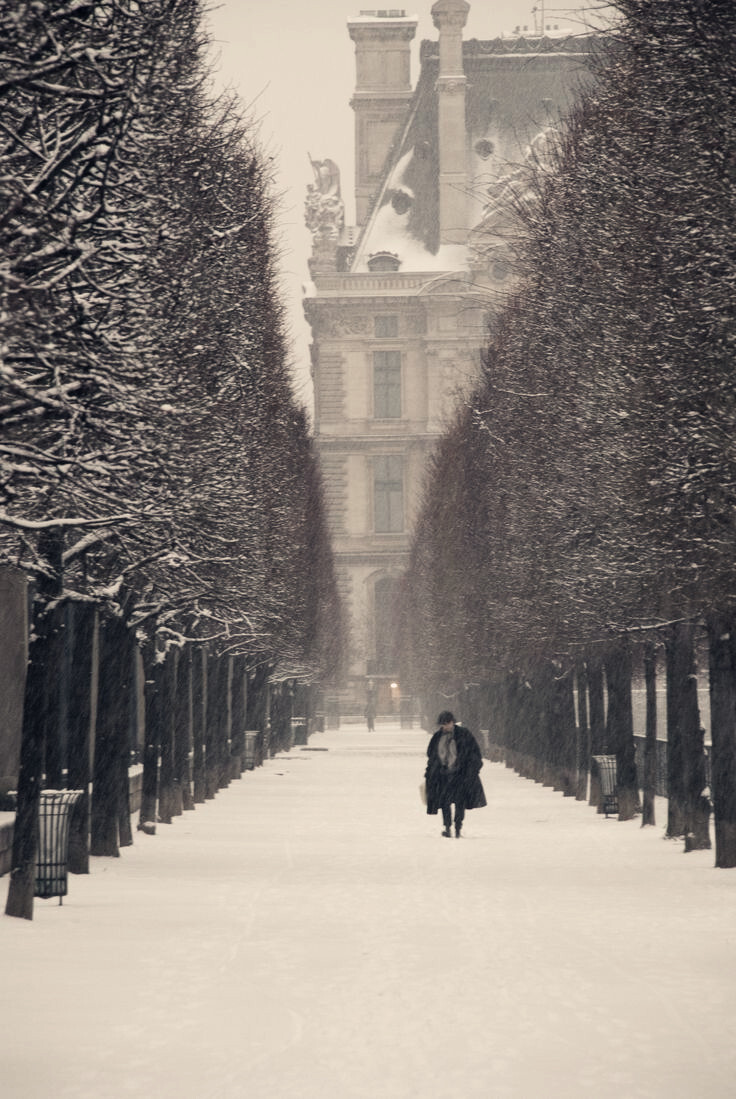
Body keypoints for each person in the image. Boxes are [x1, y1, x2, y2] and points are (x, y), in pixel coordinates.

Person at [424, 711, 486, 837]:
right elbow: (432, 755)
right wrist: (431, 771)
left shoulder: (463, 734)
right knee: (444, 803)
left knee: (460, 802)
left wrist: (471, 770)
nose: (445, 726)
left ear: (453, 722)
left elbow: (474, 753)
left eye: (448, 723)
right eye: (443, 724)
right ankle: (447, 827)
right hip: (443, 775)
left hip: (460, 775)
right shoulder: (437, 737)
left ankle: (458, 827)